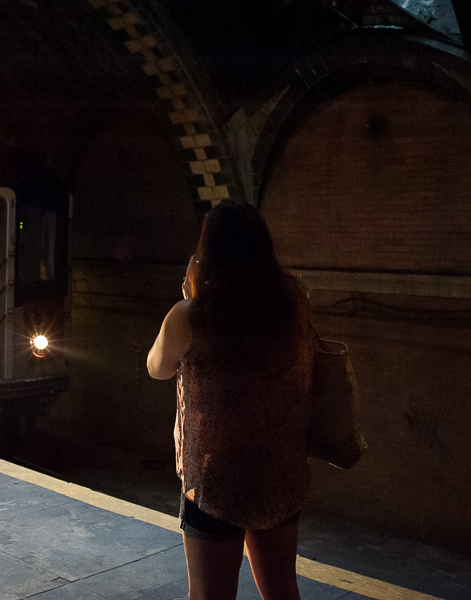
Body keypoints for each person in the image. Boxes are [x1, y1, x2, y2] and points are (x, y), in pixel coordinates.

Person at [147, 201, 314, 600]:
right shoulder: (293, 305)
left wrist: (188, 294)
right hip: (280, 469)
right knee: (281, 591)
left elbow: (158, 367)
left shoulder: (190, 315)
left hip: (214, 477)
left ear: (209, 250)